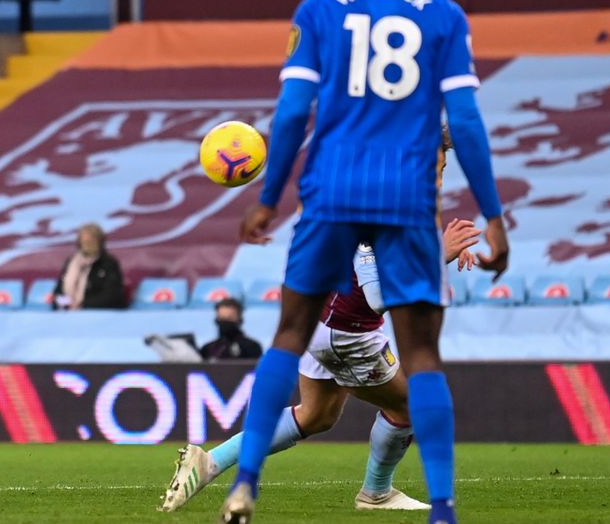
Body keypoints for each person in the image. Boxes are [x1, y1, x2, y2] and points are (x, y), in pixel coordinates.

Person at [221, 0, 509, 523]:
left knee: (287, 337)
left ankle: (244, 483)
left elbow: (291, 111)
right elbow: (463, 119)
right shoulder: (442, 14)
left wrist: (267, 199)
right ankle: (442, 509)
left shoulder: (319, 10)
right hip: (404, 199)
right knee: (422, 356)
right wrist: (493, 213)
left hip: (332, 189)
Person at [163, 214, 481, 512]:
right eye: (438, 164)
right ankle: (377, 493)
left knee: (316, 415)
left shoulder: (379, 202)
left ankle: (209, 462)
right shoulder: (379, 206)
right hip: (348, 331)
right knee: (407, 407)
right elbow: (376, 296)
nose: (437, 174)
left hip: (320, 317)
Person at [52, 223, 126, 310]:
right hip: (69, 312)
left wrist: (82, 304)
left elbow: (112, 296)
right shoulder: (71, 262)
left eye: (91, 241)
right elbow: (58, 293)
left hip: (97, 313)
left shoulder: (109, 263)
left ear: (100, 241)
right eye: (84, 241)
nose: (87, 244)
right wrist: (64, 303)